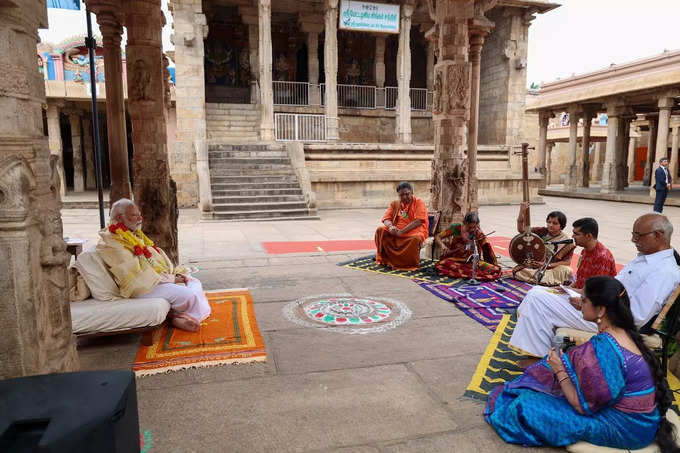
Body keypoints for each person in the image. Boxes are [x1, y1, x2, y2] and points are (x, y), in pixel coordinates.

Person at [486, 276, 678, 451]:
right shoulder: (625, 334)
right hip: (642, 423)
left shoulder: (605, 347)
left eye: (584, 301)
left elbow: (581, 405)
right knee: (544, 380)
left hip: (624, 429)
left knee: (524, 406)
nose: (580, 304)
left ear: (601, 309)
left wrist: (559, 370)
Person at [509, 213, 680, 358]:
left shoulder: (664, 271)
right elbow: (613, 286)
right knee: (538, 291)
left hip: (612, 321)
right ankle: (541, 355)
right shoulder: (646, 258)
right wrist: (584, 296)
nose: (633, 239)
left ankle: (539, 358)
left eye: (638, 235)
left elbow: (635, 316)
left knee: (537, 299)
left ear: (658, 235)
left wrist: (590, 304)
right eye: (633, 234)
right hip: (602, 308)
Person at [96, 199, 211, 332]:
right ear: (119, 218)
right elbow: (134, 276)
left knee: (194, 282)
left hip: (153, 280)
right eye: (134, 215)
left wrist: (172, 275)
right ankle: (185, 317)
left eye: (139, 214)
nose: (140, 218)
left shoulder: (131, 234)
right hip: (139, 287)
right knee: (188, 294)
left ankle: (177, 315)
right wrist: (172, 279)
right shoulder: (113, 242)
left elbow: (151, 261)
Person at [512, 203, 575, 286]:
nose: (550, 225)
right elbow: (521, 230)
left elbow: (567, 262)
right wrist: (522, 212)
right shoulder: (542, 231)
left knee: (567, 270)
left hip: (552, 268)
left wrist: (547, 265)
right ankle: (546, 280)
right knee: (519, 271)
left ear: (561, 226)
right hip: (535, 267)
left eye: (555, 223)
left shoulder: (567, 241)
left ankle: (543, 279)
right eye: (549, 222)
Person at [375, 181, 429, 271]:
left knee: (416, 238)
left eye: (407, 194)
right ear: (398, 195)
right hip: (396, 230)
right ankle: (387, 260)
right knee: (381, 230)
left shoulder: (419, 203)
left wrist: (401, 232)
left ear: (412, 193)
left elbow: (419, 221)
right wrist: (391, 227)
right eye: (401, 195)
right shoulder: (395, 204)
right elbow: (386, 218)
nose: (404, 197)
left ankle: (408, 265)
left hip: (414, 230)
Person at [434, 212, 501, 281]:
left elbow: (487, 248)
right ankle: (469, 273)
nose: (472, 229)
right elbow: (437, 237)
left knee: (494, 269)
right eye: (469, 227)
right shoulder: (456, 228)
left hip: (472, 262)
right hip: (455, 260)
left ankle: (468, 273)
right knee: (441, 265)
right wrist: (443, 246)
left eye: (474, 227)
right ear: (464, 223)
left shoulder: (478, 232)